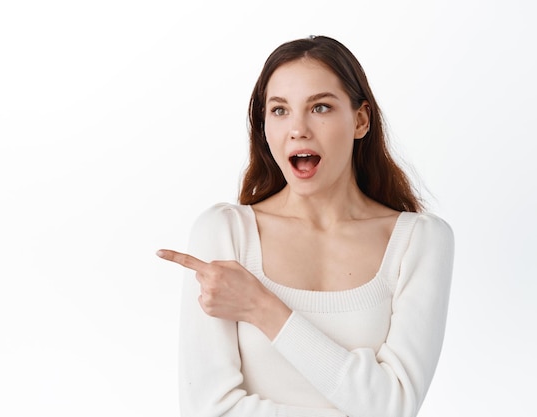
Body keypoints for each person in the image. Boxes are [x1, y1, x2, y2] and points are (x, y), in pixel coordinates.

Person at [157, 35, 454, 417]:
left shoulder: (420, 240)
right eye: (279, 110)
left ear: (360, 120)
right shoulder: (225, 233)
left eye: (320, 107)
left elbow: (393, 407)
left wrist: (261, 307)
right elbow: (207, 409)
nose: (298, 129)